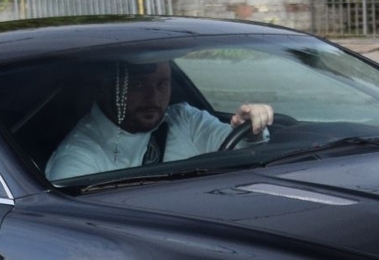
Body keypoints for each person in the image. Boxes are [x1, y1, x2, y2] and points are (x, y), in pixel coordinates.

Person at [46, 57, 271, 183]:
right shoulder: (77, 161)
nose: (153, 97)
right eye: (138, 85)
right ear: (105, 89)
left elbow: (240, 150)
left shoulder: (185, 119)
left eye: (162, 84)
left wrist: (251, 131)